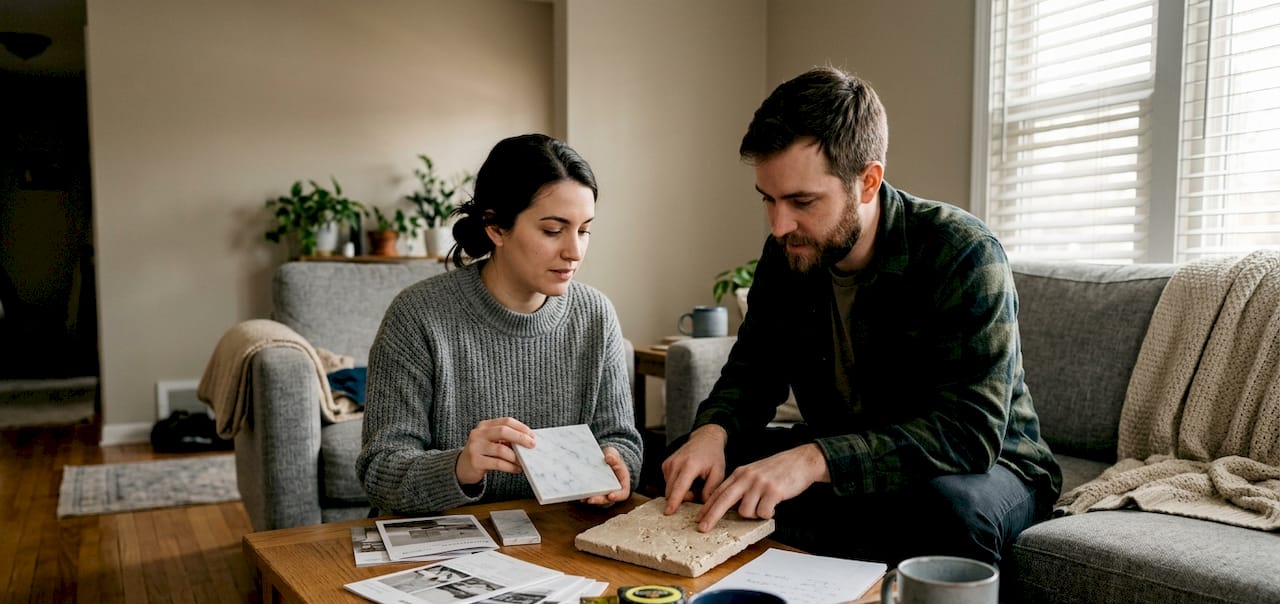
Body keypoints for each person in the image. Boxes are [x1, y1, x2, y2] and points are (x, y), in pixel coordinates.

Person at [661, 67, 1061, 566]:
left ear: (868, 181)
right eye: (769, 199)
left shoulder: (961, 251)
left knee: (950, 512)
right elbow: (753, 373)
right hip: (850, 454)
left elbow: (968, 433)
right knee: (685, 463)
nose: (780, 225)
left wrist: (812, 460)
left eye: (802, 201)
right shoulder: (788, 252)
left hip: (988, 467)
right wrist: (711, 435)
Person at [358, 133, 642, 515]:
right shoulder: (418, 315)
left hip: (558, 534)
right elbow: (380, 470)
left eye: (584, 230)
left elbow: (621, 439)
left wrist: (618, 466)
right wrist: (460, 467)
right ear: (496, 228)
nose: (574, 252)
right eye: (553, 230)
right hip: (445, 541)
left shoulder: (596, 315)